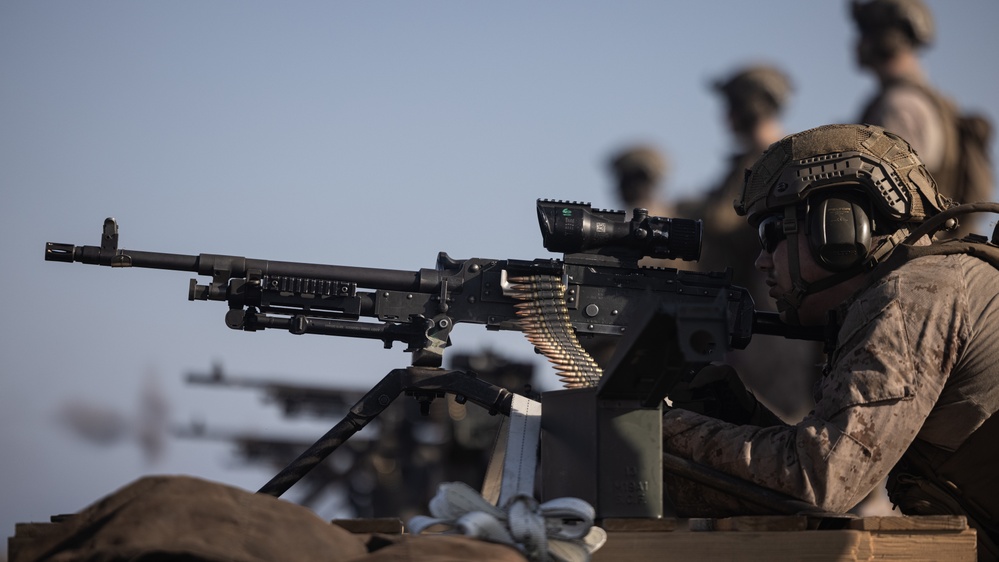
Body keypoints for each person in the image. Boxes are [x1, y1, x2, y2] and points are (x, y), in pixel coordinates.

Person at [663, 123, 999, 560]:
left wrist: (658, 433)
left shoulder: (912, 295)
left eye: (770, 235)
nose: (762, 261)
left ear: (839, 230)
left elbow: (819, 479)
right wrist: (737, 417)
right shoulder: (932, 283)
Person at [676, 64, 823, 422]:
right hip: (753, 297)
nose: (726, 116)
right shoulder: (761, 159)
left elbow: (725, 221)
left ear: (754, 105)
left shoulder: (777, 160)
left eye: (734, 104)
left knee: (781, 412)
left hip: (771, 297)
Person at [851, 0, 994, 236]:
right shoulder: (928, 100)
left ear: (885, 39)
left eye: (865, 32)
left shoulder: (900, 104)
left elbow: (895, 194)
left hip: (910, 250)